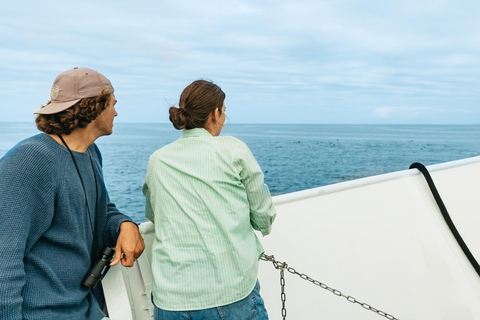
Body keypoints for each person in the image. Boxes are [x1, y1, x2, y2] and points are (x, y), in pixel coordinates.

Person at [0, 67, 145, 319]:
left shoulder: (90, 153)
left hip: (85, 308)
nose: (116, 112)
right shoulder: (29, 161)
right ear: (95, 107)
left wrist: (125, 224)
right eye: (112, 104)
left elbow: (100, 210)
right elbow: (4, 258)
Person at [143, 79, 276, 319]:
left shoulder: (157, 159)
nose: (224, 118)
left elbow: (155, 215)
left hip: (172, 299)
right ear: (215, 113)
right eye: (224, 111)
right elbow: (263, 216)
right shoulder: (233, 150)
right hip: (230, 292)